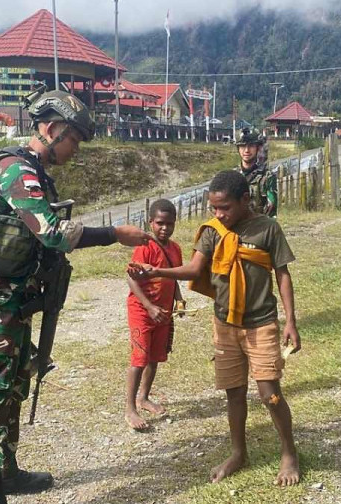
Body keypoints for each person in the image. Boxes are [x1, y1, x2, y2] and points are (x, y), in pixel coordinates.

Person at [0, 87, 151, 498]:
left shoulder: (33, 171)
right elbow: (54, 234)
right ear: (53, 129)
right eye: (73, 139)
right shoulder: (16, 170)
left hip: (15, 301)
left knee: (14, 387)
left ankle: (3, 473)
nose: (75, 148)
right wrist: (114, 234)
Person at [128, 170, 301, 486]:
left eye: (225, 208)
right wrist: (156, 271)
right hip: (225, 323)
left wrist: (290, 320)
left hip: (261, 322)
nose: (219, 214)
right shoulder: (212, 231)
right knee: (233, 393)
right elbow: (194, 268)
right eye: (214, 208)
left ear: (245, 200)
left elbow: (282, 273)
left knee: (269, 394)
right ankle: (238, 452)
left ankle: (289, 453)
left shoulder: (268, 229)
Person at [124, 198, 183, 431]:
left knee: (155, 357)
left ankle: (144, 397)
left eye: (169, 223)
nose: (164, 228)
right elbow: (131, 278)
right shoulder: (144, 247)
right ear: (151, 222)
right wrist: (149, 306)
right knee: (139, 358)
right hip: (142, 310)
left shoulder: (175, 249)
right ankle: (130, 408)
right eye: (160, 223)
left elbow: (173, 275)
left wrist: (178, 298)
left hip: (164, 312)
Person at [236, 128, 278, 217]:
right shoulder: (233, 176)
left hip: (260, 227)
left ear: (257, 148)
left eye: (251, 146)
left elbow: (271, 210)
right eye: (243, 146)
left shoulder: (267, 177)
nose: (246, 150)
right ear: (238, 149)